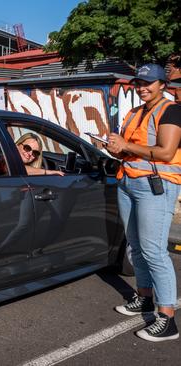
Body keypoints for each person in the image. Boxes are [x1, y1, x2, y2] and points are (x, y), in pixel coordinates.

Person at [107, 63, 181, 342]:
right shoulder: (135, 111)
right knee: (135, 246)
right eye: (139, 82)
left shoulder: (171, 109)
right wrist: (114, 146)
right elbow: (130, 146)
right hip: (127, 180)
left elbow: (166, 151)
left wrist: (125, 146)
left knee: (154, 251)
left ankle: (167, 318)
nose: (142, 87)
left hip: (155, 186)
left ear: (163, 84)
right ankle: (145, 298)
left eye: (149, 83)